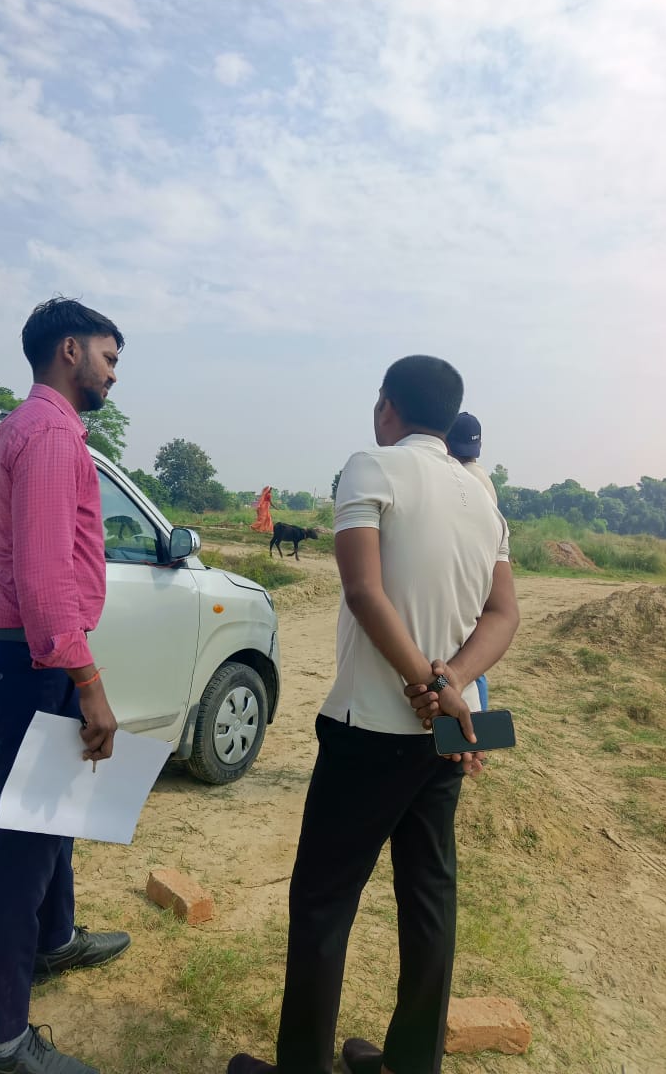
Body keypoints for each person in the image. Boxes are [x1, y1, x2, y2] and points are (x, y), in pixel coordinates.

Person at [228, 356, 519, 1074]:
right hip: (443, 736)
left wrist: (427, 681)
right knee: (429, 898)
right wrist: (453, 684)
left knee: (323, 904)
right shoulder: (484, 499)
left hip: (369, 731)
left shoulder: (371, 467)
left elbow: (363, 590)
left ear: (387, 406)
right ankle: (410, 1063)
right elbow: (503, 614)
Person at [0, 298, 130, 1074]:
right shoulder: (53, 436)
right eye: (108, 357)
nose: (113, 374)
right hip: (37, 660)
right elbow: (42, 579)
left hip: (13, 651)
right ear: (70, 350)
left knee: (49, 809)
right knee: (24, 848)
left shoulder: (11, 430)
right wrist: (88, 681)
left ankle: (54, 939)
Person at [446, 412, 497, 710]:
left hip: (467, 578)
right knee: (472, 659)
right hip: (482, 575)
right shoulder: (482, 476)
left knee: (467, 661)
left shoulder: (462, 478)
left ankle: (475, 722)